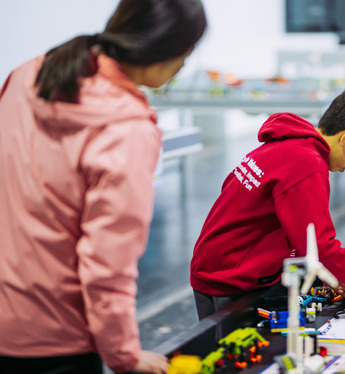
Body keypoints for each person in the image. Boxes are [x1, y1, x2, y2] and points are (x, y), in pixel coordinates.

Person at [0, 0, 206, 373]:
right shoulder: (126, 128)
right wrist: (123, 354)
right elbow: (107, 263)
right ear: (172, 51)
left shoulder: (27, 75)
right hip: (54, 337)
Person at [190, 87, 345, 320]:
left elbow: (296, 232)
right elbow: (322, 247)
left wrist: (330, 275)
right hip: (229, 281)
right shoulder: (307, 165)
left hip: (220, 267)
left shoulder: (288, 144)